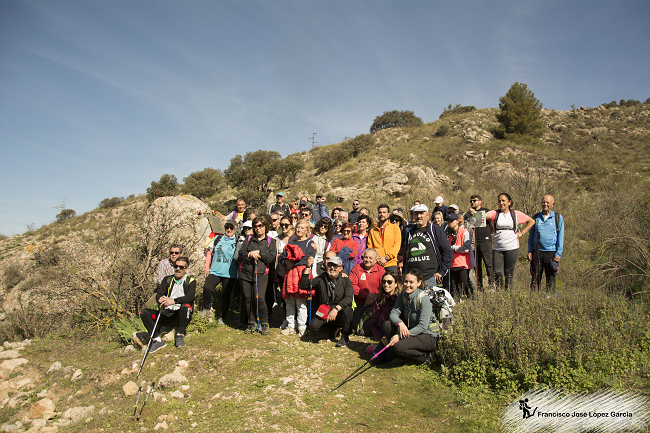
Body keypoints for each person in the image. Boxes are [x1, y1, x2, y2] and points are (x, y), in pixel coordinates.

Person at [140, 256, 196, 352]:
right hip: (166, 314)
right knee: (144, 313)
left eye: (181, 267)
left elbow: (190, 297)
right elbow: (159, 293)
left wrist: (174, 301)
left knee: (186, 306)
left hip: (180, 315)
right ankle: (157, 340)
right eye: (176, 266)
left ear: (186, 269)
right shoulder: (167, 279)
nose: (178, 269)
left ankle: (180, 334)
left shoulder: (191, 281)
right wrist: (160, 299)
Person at [382, 269, 437, 364]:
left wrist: (399, 337)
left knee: (398, 347)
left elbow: (423, 326)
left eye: (411, 282)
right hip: (412, 330)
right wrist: (400, 323)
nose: (408, 285)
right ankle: (403, 353)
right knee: (387, 325)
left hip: (428, 335)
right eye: (406, 281)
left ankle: (425, 357)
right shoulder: (403, 295)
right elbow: (393, 313)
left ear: (419, 283)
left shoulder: (424, 298)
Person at [234, 216, 278, 335]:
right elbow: (241, 253)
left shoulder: (271, 241)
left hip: (262, 274)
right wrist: (249, 255)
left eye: (260, 226)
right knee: (248, 299)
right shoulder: (248, 239)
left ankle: (264, 323)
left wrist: (259, 254)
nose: (258, 228)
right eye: (256, 226)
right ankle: (252, 323)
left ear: (265, 227)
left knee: (260, 298)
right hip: (245, 273)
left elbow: (271, 257)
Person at [485, 193, 535, 290]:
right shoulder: (495, 213)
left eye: (503, 200)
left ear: (509, 202)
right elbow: (480, 217)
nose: (501, 203)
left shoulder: (516, 214)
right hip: (497, 248)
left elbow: (531, 221)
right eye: (499, 201)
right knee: (497, 272)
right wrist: (474, 214)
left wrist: (522, 233)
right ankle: (500, 292)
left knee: (509, 274)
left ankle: (508, 294)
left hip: (512, 247)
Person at [302, 256, 353, 347]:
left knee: (348, 310)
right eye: (330, 265)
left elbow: (349, 298)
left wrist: (336, 309)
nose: (332, 268)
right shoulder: (321, 277)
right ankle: (332, 328)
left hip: (339, 309)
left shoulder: (345, 280)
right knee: (313, 327)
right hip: (325, 309)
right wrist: (307, 267)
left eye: (335, 266)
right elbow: (305, 284)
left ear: (340, 268)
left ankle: (345, 336)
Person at [401, 204, 453, 289]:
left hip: (429, 276)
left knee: (427, 301)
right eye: (416, 213)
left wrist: (441, 272)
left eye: (421, 213)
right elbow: (406, 254)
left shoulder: (434, 230)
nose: (419, 216)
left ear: (428, 215)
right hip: (411, 277)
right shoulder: (409, 232)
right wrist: (404, 272)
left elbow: (447, 252)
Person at [279, 219, 317, 336]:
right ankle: (291, 325)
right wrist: (286, 262)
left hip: (301, 274)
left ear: (307, 230)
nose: (299, 230)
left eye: (302, 228)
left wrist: (293, 263)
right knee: (289, 300)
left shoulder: (309, 243)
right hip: (290, 273)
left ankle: (301, 326)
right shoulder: (292, 242)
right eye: (298, 228)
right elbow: (283, 257)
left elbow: (309, 259)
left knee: (300, 302)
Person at [202, 222, 239, 324]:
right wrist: (206, 267)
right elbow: (209, 252)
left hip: (229, 273)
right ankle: (207, 310)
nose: (229, 230)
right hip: (215, 270)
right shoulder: (218, 238)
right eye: (227, 227)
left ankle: (222, 318)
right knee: (207, 288)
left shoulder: (237, 241)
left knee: (225, 295)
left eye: (231, 228)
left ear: (235, 230)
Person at [527, 195, 564, 292]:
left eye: (547, 202)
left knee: (550, 277)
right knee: (535, 277)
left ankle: (549, 297)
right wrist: (530, 250)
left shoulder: (557, 218)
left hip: (551, 253)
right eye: (543, 202)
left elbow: (560, 237)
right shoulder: (535, 217)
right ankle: (534, 297)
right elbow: (531, 236)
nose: (545, 204)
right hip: (537, 252)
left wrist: (558, 254)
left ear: (553, 204)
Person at [369, 270, 404, 364]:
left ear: (396, 284)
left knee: (389, 357)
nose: (386, 284)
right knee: (376, 359)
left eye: (389, 282)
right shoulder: (379, 299)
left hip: (398, 334)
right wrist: (381, 338)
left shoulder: (401, 298)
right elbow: (374, 323)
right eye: (384, 282)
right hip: (385, 336)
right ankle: (379, 347)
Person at [349, 248, 385, 336]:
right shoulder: (356, 268)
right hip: (359, 303)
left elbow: (382, 288)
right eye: (366, 257)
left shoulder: (381, 270)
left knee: (367, 329)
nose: (368, 260)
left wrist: (373, 297)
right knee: (356, 326)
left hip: (375, 303)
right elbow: (352, 285)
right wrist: (367, 296)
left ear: (376, 259)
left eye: (370, 258)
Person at [464, 195, 493, 290]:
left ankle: (492, 285)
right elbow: (469, 226)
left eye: (474, 201)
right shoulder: (469, 213)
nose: (472, 202)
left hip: (485, 240)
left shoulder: (485, 210)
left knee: (488, 263)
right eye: (471, 201)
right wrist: (468, 216)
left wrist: (475, 214)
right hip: (475, 241)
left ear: (480, 201)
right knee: (477, 265)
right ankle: (480, 287)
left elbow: (487, 221)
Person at [368, 204, 402, 274]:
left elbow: (396, 246)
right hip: (377, 263)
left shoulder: (395, 228)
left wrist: (386, 258)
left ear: (388, 214)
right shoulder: (372, 231)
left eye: (384, 212)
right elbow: (370, 247)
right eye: (380, 212)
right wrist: (377, 259)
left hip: (391, 263)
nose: (382, 214)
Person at [445, 213, 471, 299]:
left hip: (463, 265)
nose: (450, 223)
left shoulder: (464, 232)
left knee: (465, 288)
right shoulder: (448, 234)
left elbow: (467, 248)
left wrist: (453, 248)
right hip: (452, 265)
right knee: (454, 290)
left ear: (457, 221)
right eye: (448, 221)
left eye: (452, 221)